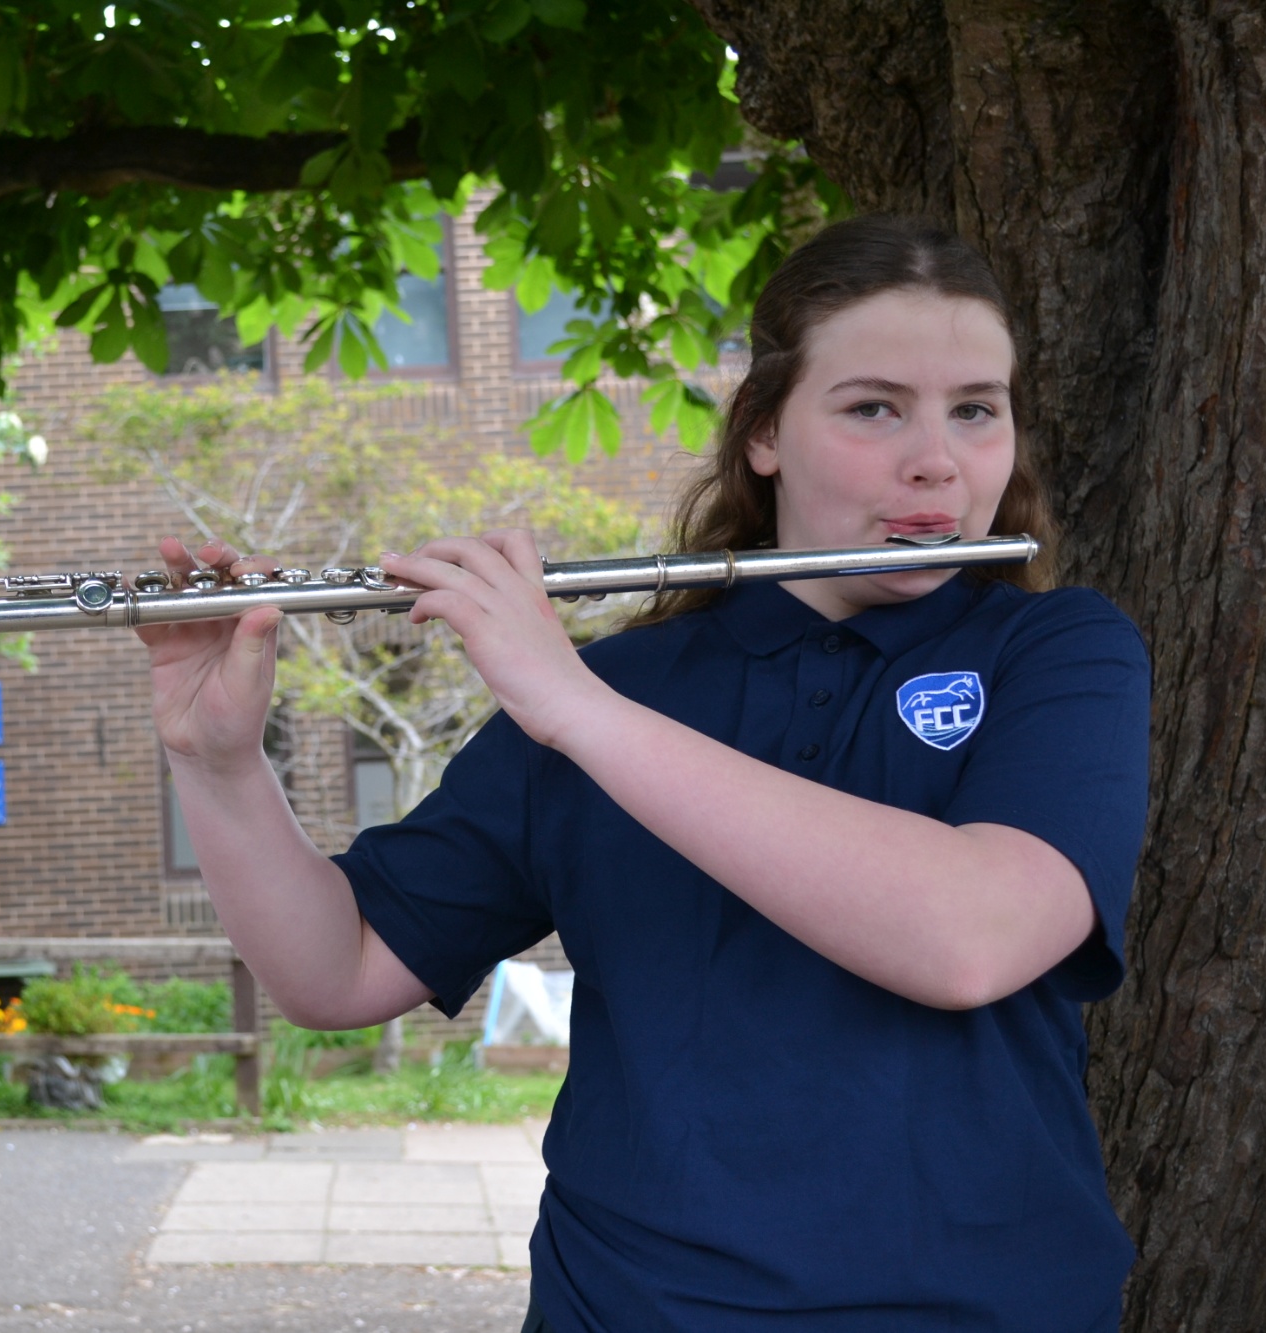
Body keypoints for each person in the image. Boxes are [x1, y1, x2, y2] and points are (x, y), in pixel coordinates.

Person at [143, 216, 1151, 1332]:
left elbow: (972, 939)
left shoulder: (1058, 652)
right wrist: (216, 761)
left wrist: (577, 708)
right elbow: (336, 970)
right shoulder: (616, 689)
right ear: (762, 432)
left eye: (975, 409)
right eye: (873, 408)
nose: (936, 460)